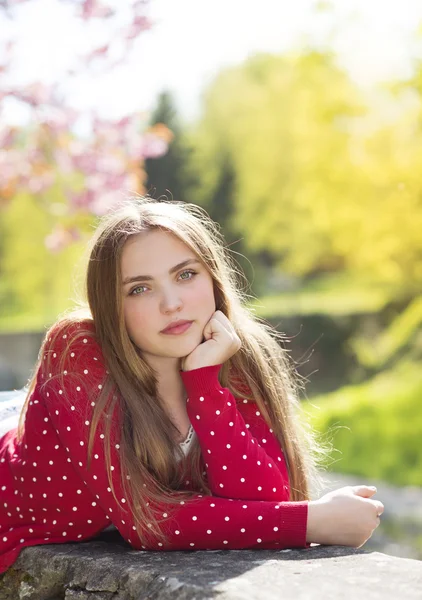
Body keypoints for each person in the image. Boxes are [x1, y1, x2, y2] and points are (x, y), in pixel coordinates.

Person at [0, 197, 384, 574]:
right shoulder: (78, 347)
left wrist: (203, 383)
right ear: (110, 305)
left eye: (186, 274)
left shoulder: (234, 351)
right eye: (139, 288)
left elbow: (267, 498)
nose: (172, 304)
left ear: (214, 278)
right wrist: (312, 522)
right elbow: (148, 522)